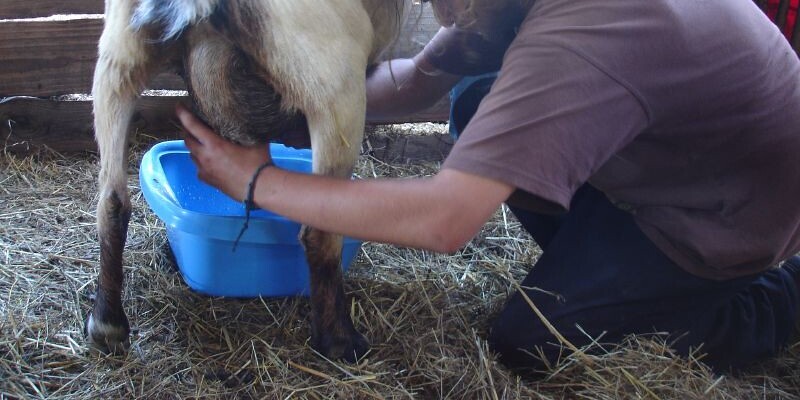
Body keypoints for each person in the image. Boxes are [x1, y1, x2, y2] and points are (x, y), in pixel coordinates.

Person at [176, 0, 800, 373]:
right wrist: (296, 105)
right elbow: (417, 80)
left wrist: (256, 181)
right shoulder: (508, 6)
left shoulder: (581, 35)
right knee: (477, 104)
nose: (433, 6)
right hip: (672, 165)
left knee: (532, 341)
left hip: (724, 221)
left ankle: (773, 299)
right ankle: (604, 271)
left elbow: (444, 221)